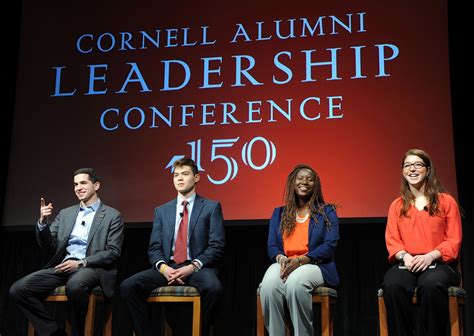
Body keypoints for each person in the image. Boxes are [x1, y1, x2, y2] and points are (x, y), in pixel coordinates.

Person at [9, 168, 124, 336]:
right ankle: (54, 332)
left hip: (90, 268)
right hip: (63, 267)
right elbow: (49, 246)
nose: (78, 187)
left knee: (75, 286)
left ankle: (77, 332)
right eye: (75, 184)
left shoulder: (112, 216)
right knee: (18, 290)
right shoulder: (66, 213)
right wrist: (42, 223)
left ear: (96, 185)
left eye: (83, 183)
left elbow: (113, 252)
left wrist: (81, 263)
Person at [120, 157, 225, 336]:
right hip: (168, 267)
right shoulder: (162, 210)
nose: (180, 178)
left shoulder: (211, 207)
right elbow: (154, 248)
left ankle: (200, 332)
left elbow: (216, 246)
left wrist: (192, 268)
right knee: (128, 286)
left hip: (197, 268)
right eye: (176, 175)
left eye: (185, 174)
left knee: (214, 289)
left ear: (197, 177)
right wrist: (163, 268)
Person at [382, 148, 462, 336]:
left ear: (428, 170)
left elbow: (454, 240)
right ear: (403, 172)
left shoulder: (446, 201)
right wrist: (406, 256)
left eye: (418, 164)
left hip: (439, 263)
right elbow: (392, 239)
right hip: (408, 262)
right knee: (393, 285)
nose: (412, 169)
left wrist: (430, 256)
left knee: (431, 286)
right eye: (407, 165)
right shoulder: (397, 205)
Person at [259, 164, 339, 336]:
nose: (305, 182)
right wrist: (281, 258)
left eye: (310, 179)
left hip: (315, 265)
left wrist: (301, 260)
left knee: (296, 282)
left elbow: (330, 244)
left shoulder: (327, 211)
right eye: (300, 178)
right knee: (268, 285)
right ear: (292, 183)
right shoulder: (279, 213)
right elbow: (272, 245)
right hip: (285, 262)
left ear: (315, 185)